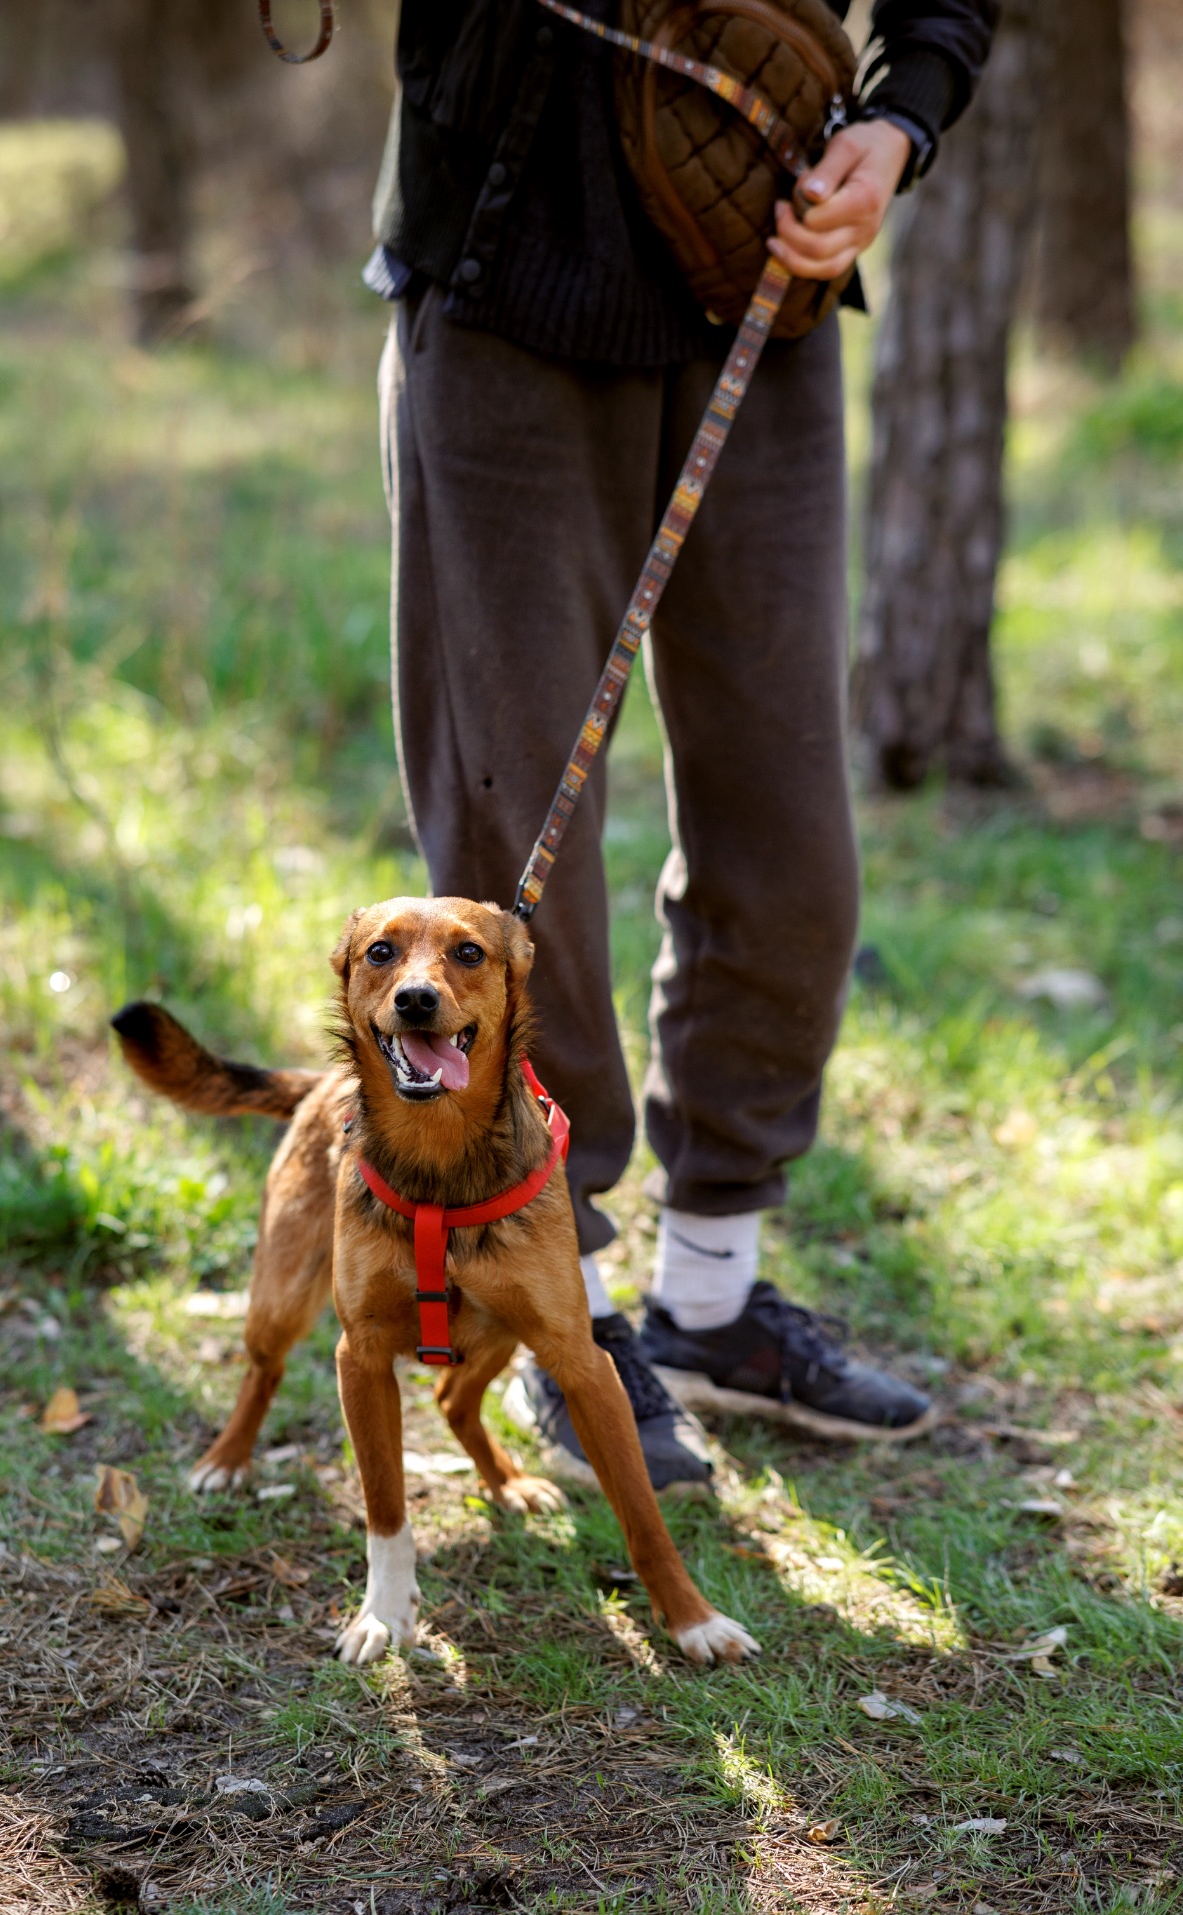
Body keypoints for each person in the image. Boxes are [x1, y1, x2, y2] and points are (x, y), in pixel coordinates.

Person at [364, 0, 997, 1491]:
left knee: (791, 839)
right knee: (514, 843)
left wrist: (902, 122)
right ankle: (555, 1302)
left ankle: (712, 1294)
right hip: (509, 281)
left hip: (756, 280)